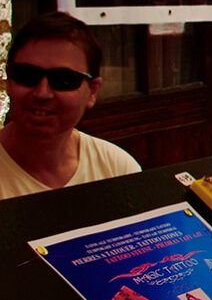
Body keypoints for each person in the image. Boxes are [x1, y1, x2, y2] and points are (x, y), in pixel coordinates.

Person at [0, 12, 140, 198]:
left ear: (92, 91)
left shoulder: (116, 169)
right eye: (27, 75)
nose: (42, 93)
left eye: (64, 80)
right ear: (8, 81)